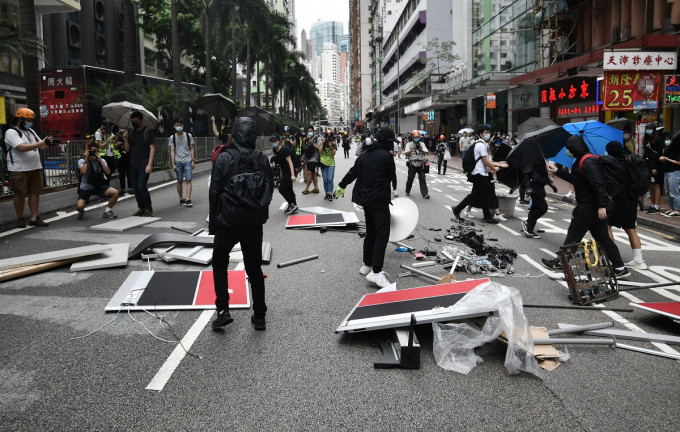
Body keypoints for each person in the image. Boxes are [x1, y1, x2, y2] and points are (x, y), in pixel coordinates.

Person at [209, 117, 273, 331]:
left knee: (219, 263)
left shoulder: (223, 158)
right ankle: (260, 315)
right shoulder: (261, 158)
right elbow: (269, 188)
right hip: (253, 222)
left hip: (227, 221)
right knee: (254, 269)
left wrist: (214, 223)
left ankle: (223, 310)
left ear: (234, 133)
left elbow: (215, 192)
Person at [541, 135, 630, 279]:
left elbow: (598, 184)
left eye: (569, 149)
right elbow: (577, 180)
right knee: (602, 237)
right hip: (593, 205)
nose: (568, 151)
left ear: (574, 148)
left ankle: (561, 263)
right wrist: (557, 171)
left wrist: (601, 206)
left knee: (574, 234)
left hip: (591, 206)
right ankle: (620, 268)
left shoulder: (588, 161)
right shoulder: (582, 160)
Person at [335, 127, 398, 288]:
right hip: (379, 201)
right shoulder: (386, 156)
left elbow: (352, 172)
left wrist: (342, 185)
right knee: (382, 235)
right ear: (387, 140)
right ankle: (376, 273)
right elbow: (392, 176)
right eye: (392, 142)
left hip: (366, 201)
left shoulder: (364, 155)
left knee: (371, 232)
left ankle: (366, 264)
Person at [4, 108, 54, 228]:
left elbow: (41, 147)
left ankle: (34, 217)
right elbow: (21, 147)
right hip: (19, 169)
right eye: (28, 120)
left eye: (31, 120)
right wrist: (43, 142)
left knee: (35, 193)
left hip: (35, 167)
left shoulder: (30, 131)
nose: (30, 122)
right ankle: (20, 218)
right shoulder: (11, 132)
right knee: (20, 194)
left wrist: (48, 143)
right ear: (20, 119)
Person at [452, 124, 508, 224]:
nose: (488, 134)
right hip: (480, 174)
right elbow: (485, 162)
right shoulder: (481, 145)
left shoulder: (479, 144)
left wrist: (499, 163)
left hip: (478, 173)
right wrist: (496, 167)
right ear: (481, 134)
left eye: (488, 133)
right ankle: (486, 217)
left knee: (475, 195)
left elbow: (485, 160)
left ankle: (457, 209)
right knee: (486, 195)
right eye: (486, 133)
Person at [604, 141, 646, 269]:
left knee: (607, 226)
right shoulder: (630, 159)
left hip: (619, 199)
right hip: (632, 198)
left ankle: (611, 258)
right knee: (631, 229)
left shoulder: (612, 163)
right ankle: (639, 260)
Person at [122, 111, 155, 216]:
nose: (134, 123)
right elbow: (127, 150)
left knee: (141, 186)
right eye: (132, 121)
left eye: (136, 121)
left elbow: (152, 148)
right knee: (135, 187)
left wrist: (149, 164)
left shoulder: (148, 132)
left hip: (144, 164)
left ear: (141, 120)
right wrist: (125, 139)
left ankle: (148, 208)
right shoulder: (131, 133)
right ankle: (141, 207)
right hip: (133, 165)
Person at [75, 142, 119, 219]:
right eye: (93, 151)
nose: (95, 153)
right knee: (79, 207)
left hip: (98, 186)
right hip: (85, 188)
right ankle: (81, 211)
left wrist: (100, 161)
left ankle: (107, 211)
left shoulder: (101, 160)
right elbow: (84, 172)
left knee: (115, 192)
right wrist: (86, 159)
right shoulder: (82, 161)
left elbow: (108, 172)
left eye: (96, 151)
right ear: (88, 151)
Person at [520, 157, 552, 239]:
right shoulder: (532, 158)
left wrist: (551, 184)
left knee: (535, 208)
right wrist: (528, 187)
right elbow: (526, 173)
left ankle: (529, 229)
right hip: (534, 186)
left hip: (540, 186)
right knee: (543, 207)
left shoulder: (541, 158)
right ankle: (527, 222)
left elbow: (542, 174)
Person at [169, 118, 196, 207]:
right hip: (178, 161)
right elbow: (172, 150)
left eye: (180, 125)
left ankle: (188, 199)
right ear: (174, 126)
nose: (178, 127)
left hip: (188, 160)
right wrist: (173, 164)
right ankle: (181, 198)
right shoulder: (172, 137)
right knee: (179, 181)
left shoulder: (188, 136)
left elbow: (192, 148)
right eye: (177, 125)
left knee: (188, 180)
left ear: (183, 125)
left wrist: (192, 160)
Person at [271, 134, 299, 215]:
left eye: (275, 141)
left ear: (279, 141)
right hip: (284, 171)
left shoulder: (284, 150)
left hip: (290, 171)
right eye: (272, 141)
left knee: (281, 188)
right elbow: (281, 165)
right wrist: (281, 176)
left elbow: (290, 162)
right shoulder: (275, 150)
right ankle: (295, 206)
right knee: (289, 189)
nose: (273, 143)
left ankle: (291, 204)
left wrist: (293, 175)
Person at [642, 122, 664, 214]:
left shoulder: (658, 140)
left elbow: (659, 154)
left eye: (650, 129)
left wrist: (655, 167)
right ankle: (652, 204)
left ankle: (656, 205)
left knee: (656, 185)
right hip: (648, 166)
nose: (648, 130)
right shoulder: (646, 140)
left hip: (656, 166)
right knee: (650, 185)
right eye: (647, 129)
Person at [95, 120, 121, 190]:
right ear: (104, 126)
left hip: (111, 155)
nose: (111, 129)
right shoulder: (98, 133)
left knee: (109, 174)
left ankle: (106, 189)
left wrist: (117, 137)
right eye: (109, 127)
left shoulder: (109, 132)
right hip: (103, 156)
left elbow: (112, 143)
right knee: (104, 175)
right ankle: (103, 191)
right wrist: (109, 139)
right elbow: (101, 146)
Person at [659, 133, 680, 217]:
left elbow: (678, 162)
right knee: (668, 192)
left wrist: (666, 159)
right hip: (667, 172)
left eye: (669, 139)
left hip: (674, 172)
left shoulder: (677, 150)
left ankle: (677, 209)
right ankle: (671, 208)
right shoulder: (669, 149)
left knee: (674, 192)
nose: (667, 141)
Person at [404, 130, 430, 199]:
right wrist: (412, 149)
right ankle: (407, 190)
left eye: (418, 137)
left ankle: (425, 194)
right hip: (412, 163)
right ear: (412, 137)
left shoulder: (422, 144)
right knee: (410, 179)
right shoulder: (409, 144)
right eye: (415, 137)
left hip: (420, 164)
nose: (416, 138)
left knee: (422, 178)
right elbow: (406, 153)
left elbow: (426, 153)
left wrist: (420, 149)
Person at [302, 125, 321, 194]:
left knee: (309, 172)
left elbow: (319, 148)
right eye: (308, 131)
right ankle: (316, 188)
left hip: (315, 158)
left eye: (311, 131)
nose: (309, 132)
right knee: (313, 173)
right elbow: (304, 149)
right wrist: (304, 142)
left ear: (313, 131)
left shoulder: (317, 138)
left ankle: (306, 188)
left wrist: (312, 143)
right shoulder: (307, 138)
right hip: (308, 158)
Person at [320, 134, 337, 200]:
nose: (329, 143)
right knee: (325, 179)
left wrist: (331, 147)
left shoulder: (333, 145)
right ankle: (326, 193)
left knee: (330, 179)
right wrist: (322, 143)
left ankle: (330, 193)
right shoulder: (323, 145)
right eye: (328, 142)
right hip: (323, 163)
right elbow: (320, 152)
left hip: (331, 164)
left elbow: (333, 154)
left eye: (330, 141)